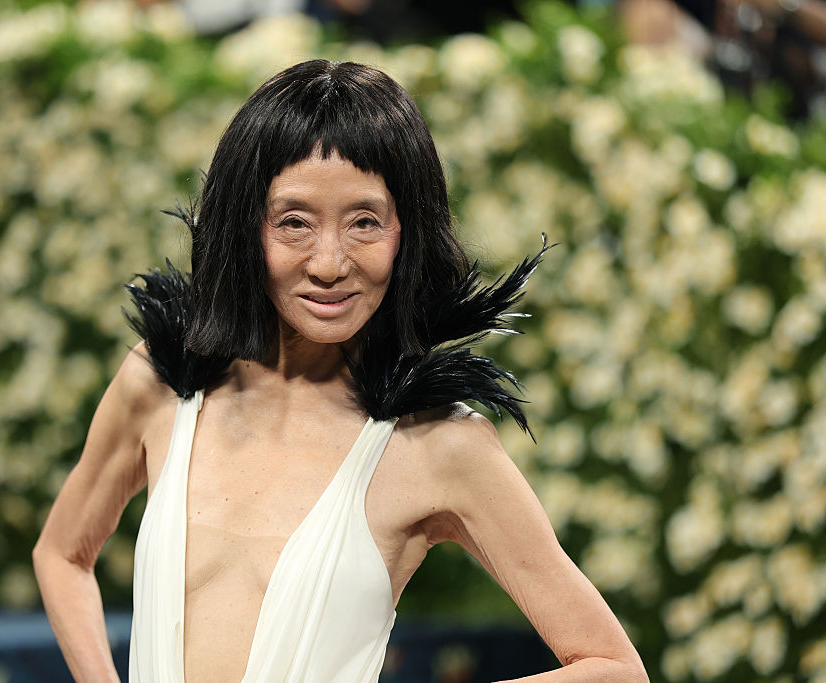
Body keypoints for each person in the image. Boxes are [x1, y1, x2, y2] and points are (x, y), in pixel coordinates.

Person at [32, 60, 649, 683]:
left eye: (364, 223)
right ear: (244, 228)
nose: (329, 264)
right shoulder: (160, 384)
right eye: (294, 223)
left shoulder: (439, 446)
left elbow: (614, 669)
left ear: (407, 234)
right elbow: (62, 554)